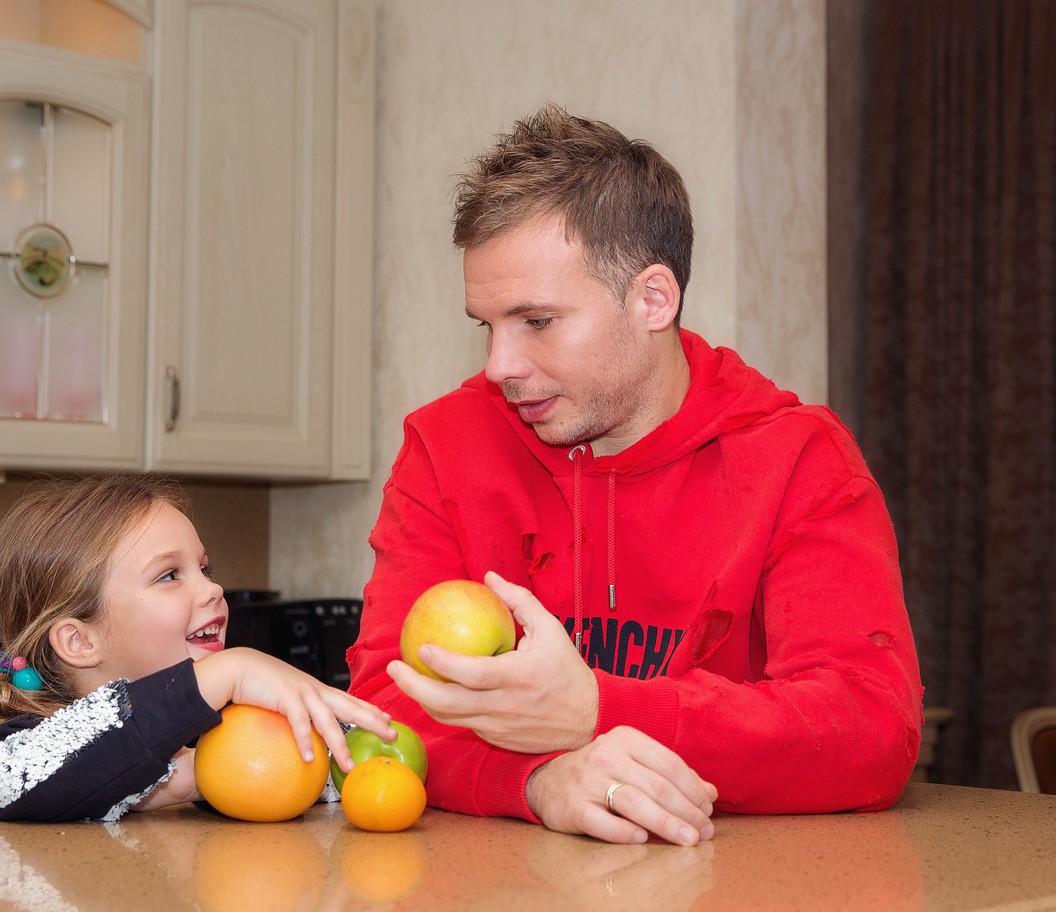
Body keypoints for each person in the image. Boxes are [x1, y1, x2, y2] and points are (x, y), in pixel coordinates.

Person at [346, 105, 924, 846]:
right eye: (485, 326)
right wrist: (534, 780)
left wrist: (594, 709)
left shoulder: (797, 459)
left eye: (538, 322)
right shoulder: (443, 444)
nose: (500, 367)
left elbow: (868, 726)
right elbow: (385, 708)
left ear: (654, 298)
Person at [0, 473, 394, 824]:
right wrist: (224, 674)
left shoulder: (220, 726)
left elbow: (355, 772)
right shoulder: (10, 752)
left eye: (205, 568)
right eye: (169, 576)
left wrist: (212, 772)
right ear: (79, 640)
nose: (214, 590)